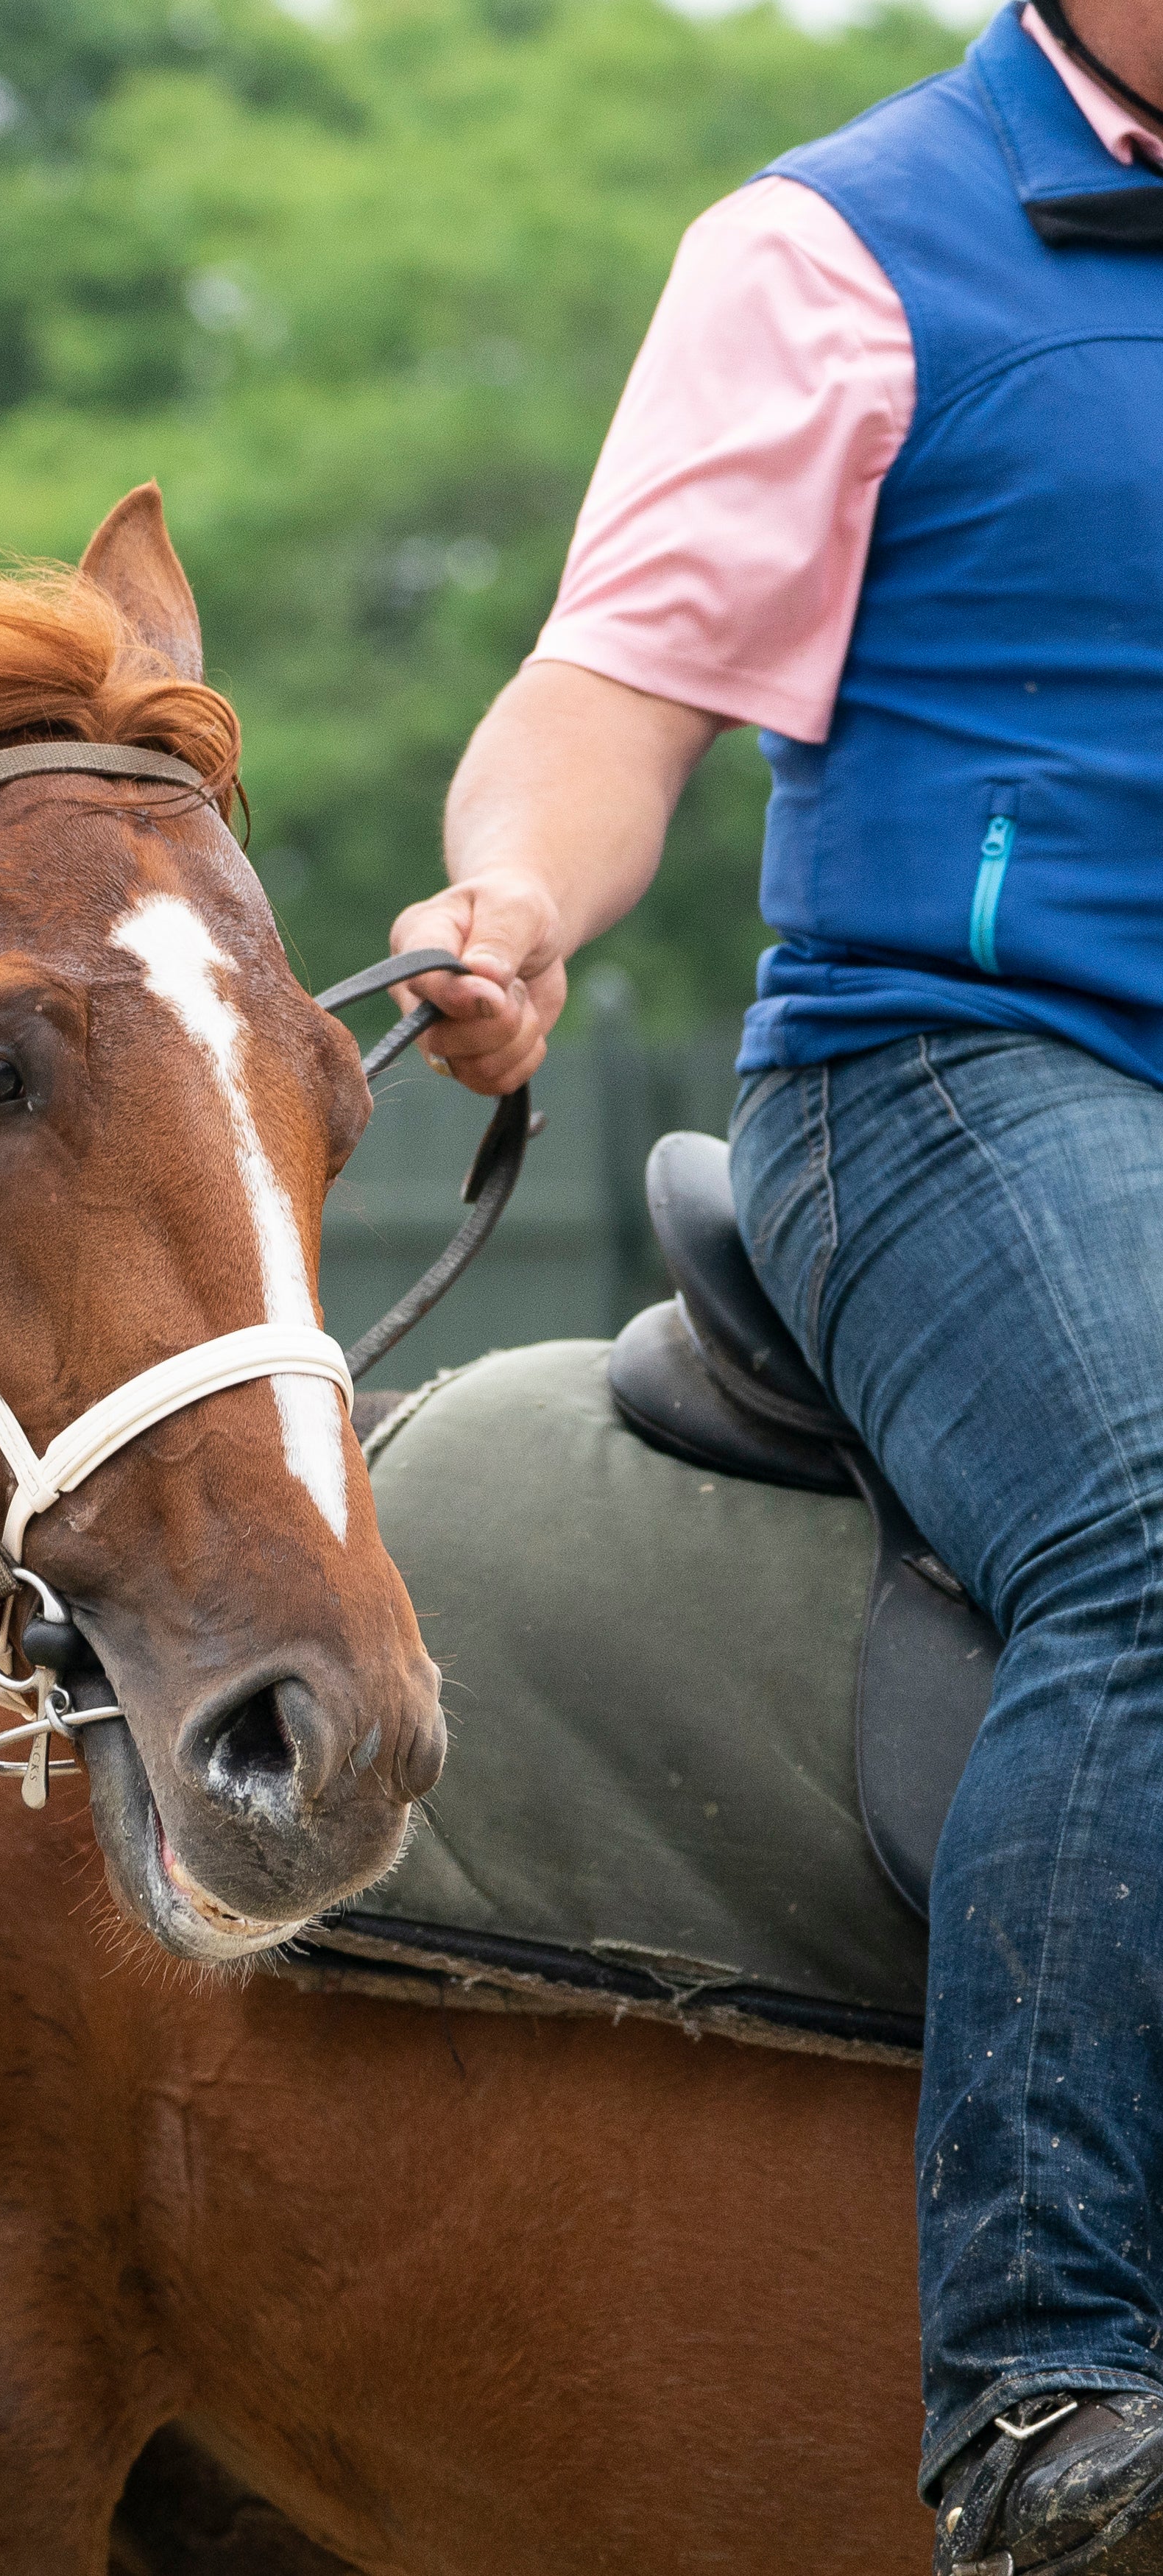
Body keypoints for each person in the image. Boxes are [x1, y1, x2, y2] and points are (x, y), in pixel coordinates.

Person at [389, 4, 1163, 2566]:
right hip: (957, 1078)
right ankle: (1054, 2385)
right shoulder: (837, 255)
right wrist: (512, 897)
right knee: (1156, 1523)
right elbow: (606, 702)